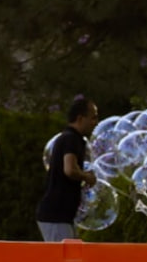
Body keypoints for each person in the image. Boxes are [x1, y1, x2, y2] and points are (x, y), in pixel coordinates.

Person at [37, 97, 100, 241]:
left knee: (70, 258)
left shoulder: (73, 138)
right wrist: (87, 177)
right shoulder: (70, 138)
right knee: (63, 260)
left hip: (62, 215)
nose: (96, 123)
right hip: (55, 215)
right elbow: (70, 169)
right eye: (93, 118)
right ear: (80, 118)